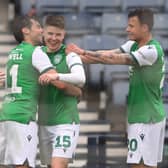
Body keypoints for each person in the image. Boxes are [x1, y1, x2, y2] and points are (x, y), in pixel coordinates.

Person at [66, 8, 166, 168]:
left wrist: (83, 51)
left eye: (132, 26)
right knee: (143, 164)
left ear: (145, 28)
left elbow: (114, 59)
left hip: (147, 116)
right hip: (140, 114)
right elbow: (106, 55)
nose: (127, 29)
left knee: (140, 165)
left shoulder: (151, 51)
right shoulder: (133, 45)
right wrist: (76, 58)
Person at [0, 15, 78, 168]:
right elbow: (56, 80)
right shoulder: (36, 52)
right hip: (23, 116)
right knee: (24, 164)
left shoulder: (13, 53)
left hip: (6, 114)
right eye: (37, 27)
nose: (41, 30)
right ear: (26, 31)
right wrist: (76, 91)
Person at [38, 15, 86, 168]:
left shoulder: (70, 55)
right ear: (43, 33)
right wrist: (73, 90)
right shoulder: (36, 54)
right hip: (44, 121)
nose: (53, 38)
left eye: (58, 34)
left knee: (59, 165)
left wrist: (57, 79)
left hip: (66, 120)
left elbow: (80, 78)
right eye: (50, 34)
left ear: (64, 34)